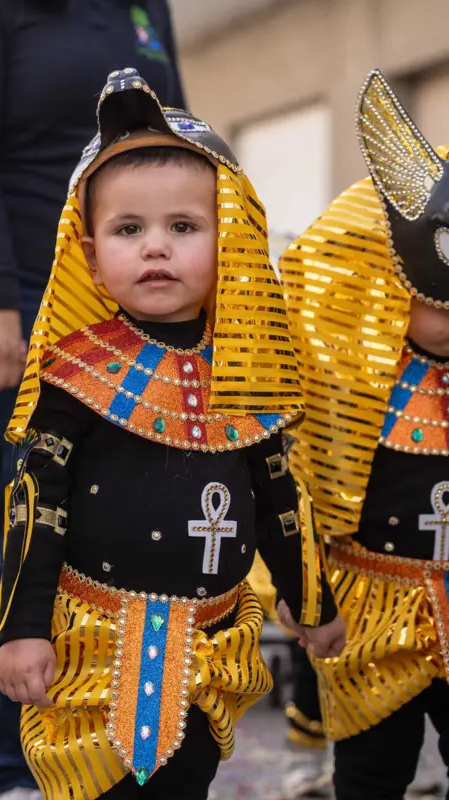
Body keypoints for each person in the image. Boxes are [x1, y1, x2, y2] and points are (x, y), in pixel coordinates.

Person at [0, 70, 346, 800]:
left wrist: (311, 603)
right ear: (90, 255)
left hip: (212, 649)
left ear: (230, 240)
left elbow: (280, 500)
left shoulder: (250, 373)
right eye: (129, 229)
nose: (156, 247)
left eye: (182, 227)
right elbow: (35, 510)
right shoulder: (70, 374)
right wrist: (23, 629)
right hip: (90, 649)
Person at [0, 4, 188, 793]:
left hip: (139, 296)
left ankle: (129, 740)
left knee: (139, 520)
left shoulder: (145, 4)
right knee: (37, 520)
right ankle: (20, 763)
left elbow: (178, 136)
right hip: (29, 294)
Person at [278, 69, 449, 800]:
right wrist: (302, 589)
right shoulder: (348, 384)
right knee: (373, 772)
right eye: (441, 304)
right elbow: (300, 485)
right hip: (368, 612)